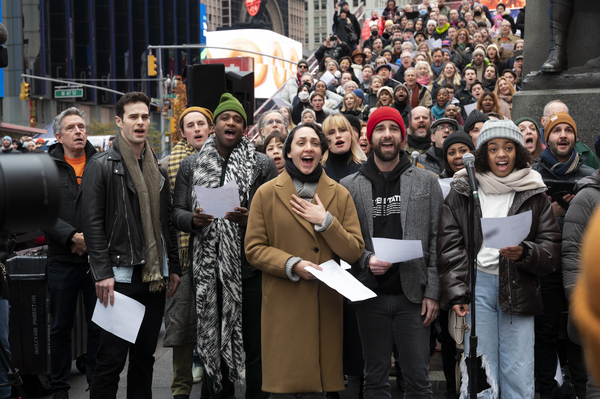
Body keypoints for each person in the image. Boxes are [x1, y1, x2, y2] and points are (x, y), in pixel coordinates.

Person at [438, 119, 561, 398]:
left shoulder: (534, 190)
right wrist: (458, 294)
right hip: (477, 286)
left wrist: (525, 252)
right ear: (483, 154)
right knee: (482, 368)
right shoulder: (463, 188)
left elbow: (551, 249)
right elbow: (450, 245)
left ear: (518, 150)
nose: (501, 154)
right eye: (493, 148)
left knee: (518, 367)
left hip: (519, 285)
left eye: (508, 147)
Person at [244, 121, 365, 397]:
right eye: (300, 143)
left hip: (325, 306)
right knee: (284, 390)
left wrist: (326, 222)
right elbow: (253, 248)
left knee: (317, 391)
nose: (307, 148)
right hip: (284, 305)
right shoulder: (266, 193)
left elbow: (354, 250)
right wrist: (293, 264)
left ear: (322, 151)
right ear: (288, 152)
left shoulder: (340, 193)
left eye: (314, 142)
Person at [171, 93, 277, 399]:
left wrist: (249, 220)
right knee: (212, 346)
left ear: (245, 128)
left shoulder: (262, 164)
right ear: (214, 125)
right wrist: (193, 219)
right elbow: (175, 212)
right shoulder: (191, 165)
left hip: (250, 271)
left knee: (255, 348)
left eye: (238, 119)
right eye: (225, 118)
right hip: (208, 273)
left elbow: (273, 215)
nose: (231, 122)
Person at [82, 92, 182, 398]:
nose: (140, 122)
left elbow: (166, 225)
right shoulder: (100, 165)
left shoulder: (159, 169)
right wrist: (102, 272)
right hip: (119, 277)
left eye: (145, 117)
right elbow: (92, 224)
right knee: (110, 361)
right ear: (119, 122)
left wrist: (174, 267)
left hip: (154, 278)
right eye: (133, 117)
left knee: (144, 359)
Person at [340, 106, 443, 399]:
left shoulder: (426, 181)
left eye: (394, 129)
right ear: (369, 138)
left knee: (419, 383)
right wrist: (366, 260)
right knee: (374, 381)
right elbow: (346, 241)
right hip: (370, 297)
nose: (387, 135)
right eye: (380, 129)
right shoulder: (349, 187)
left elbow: (437, 238)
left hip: (413, 297)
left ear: (403, 137)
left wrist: (433, 292)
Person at [532, 111, 594, 399]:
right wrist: (551, 213)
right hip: (547, 267)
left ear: (575, 137)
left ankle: (580, 388)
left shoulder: (589, 178)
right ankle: (548, 389)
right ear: (547, 139)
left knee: (580, 332)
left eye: (568, 130)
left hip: (581, 267)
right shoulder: (533, 176)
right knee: (546, 332)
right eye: (557, 131)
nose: (563, 136)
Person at [45, 108, 101, 399]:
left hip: (96, 261)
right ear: (58, 136)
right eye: (72, 128)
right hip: (62, 261)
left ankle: (96, 384)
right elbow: (42, 210)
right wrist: (70, 237)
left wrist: (89, 240)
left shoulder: (100, 162)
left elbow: (109, 208)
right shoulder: (46, 167)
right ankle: (59, 389)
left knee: (98, 326)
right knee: (60, 328)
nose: (79, 131)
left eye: (82, 126)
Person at [164, 106, 215, 399]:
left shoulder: (225, 160)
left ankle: (213, 384)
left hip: (215, 257)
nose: (197, 129)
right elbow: (167, 217)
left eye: (201, 124)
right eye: (190, 125)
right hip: (182, 260)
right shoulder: (168, 164)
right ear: (182, 132)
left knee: (213, 327)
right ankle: (180, 390)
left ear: (210, 128)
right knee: (182, 330)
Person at [539, 100, 600, 169]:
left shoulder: (585, 152)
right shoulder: (533, 151)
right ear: (543, 121)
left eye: (564, 116)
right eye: (554, 116)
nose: (560, 119)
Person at [321, 114, 365, 182]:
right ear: (325, 140)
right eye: (331, 133)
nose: (338, 135)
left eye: (343, 130)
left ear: (351, 135)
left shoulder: (366, 168)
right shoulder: (317, 170)